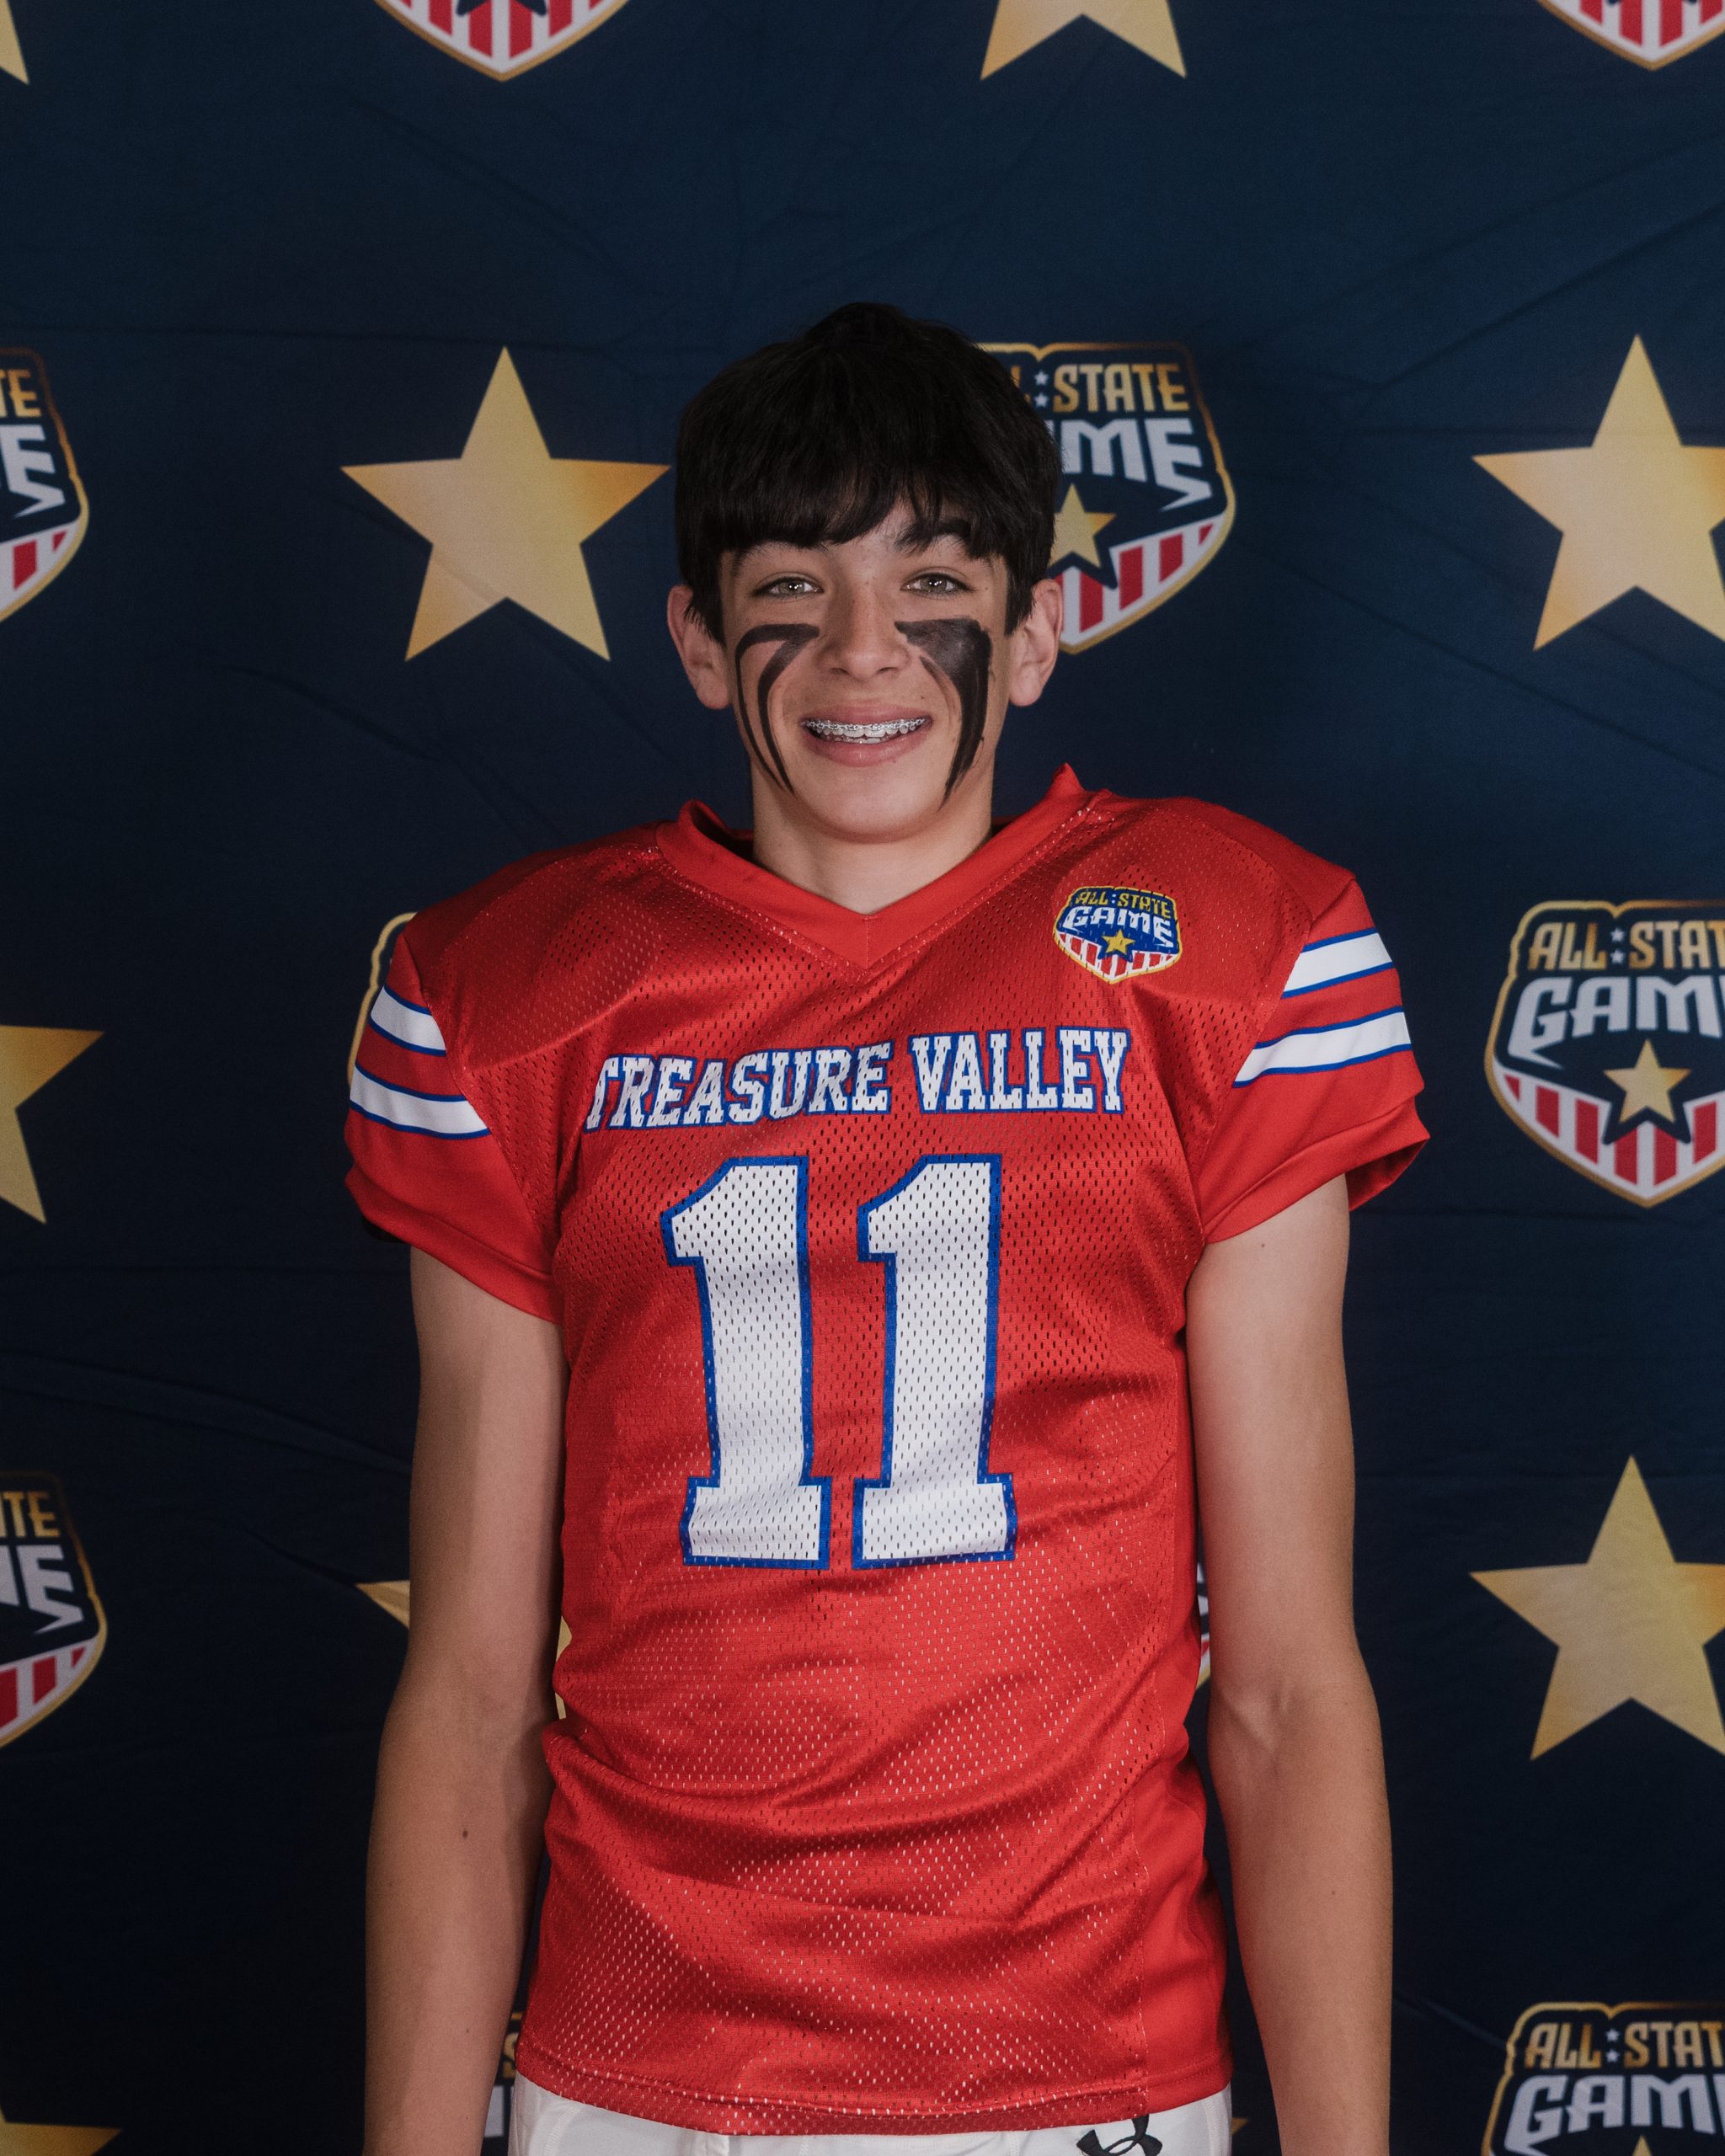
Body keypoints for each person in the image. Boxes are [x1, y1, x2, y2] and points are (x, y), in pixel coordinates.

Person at [345, 302, 1425, 2156]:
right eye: (793, 586)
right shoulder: (512, 995)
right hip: (641, 2057)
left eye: (932, 584)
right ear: (698, 639)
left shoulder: (1232, 951)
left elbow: (1283, 1686)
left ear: (1037, 628)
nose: (864, 649)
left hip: (1082, 2055)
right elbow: (469, 1695)